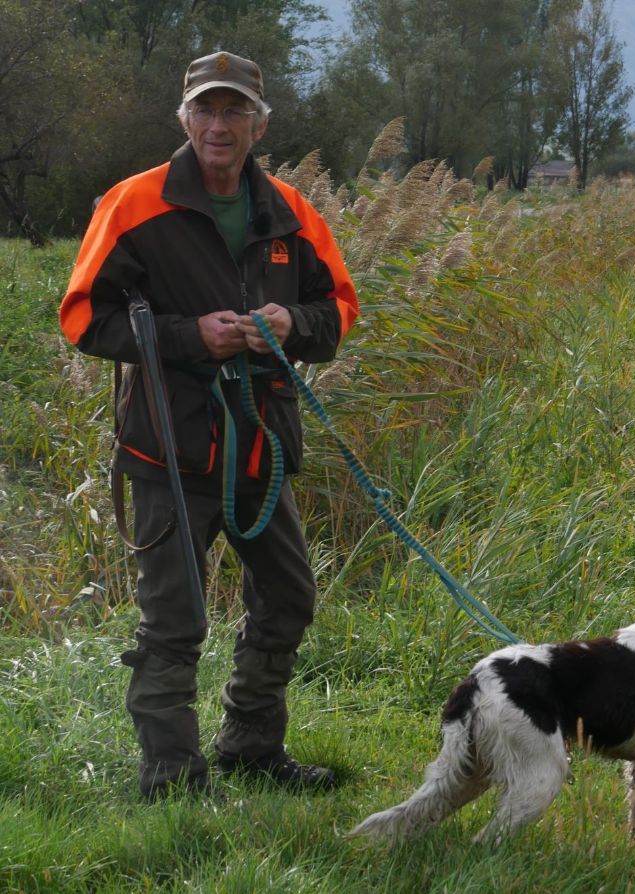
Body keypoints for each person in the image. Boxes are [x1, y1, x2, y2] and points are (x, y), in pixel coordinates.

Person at [59, 51, 359, 799]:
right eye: (205, 109)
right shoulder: (132, 205)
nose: (218, 126)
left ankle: (251, 748)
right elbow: (83, 319)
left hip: (261, 446)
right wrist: (195, 337)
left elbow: (341, 311)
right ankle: (171, 781)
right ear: (183, 117)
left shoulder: (290, 210)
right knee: (176, 623)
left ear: (261, 123)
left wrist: (292, 322)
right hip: (168, 446)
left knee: (288, 598)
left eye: (234, 111)